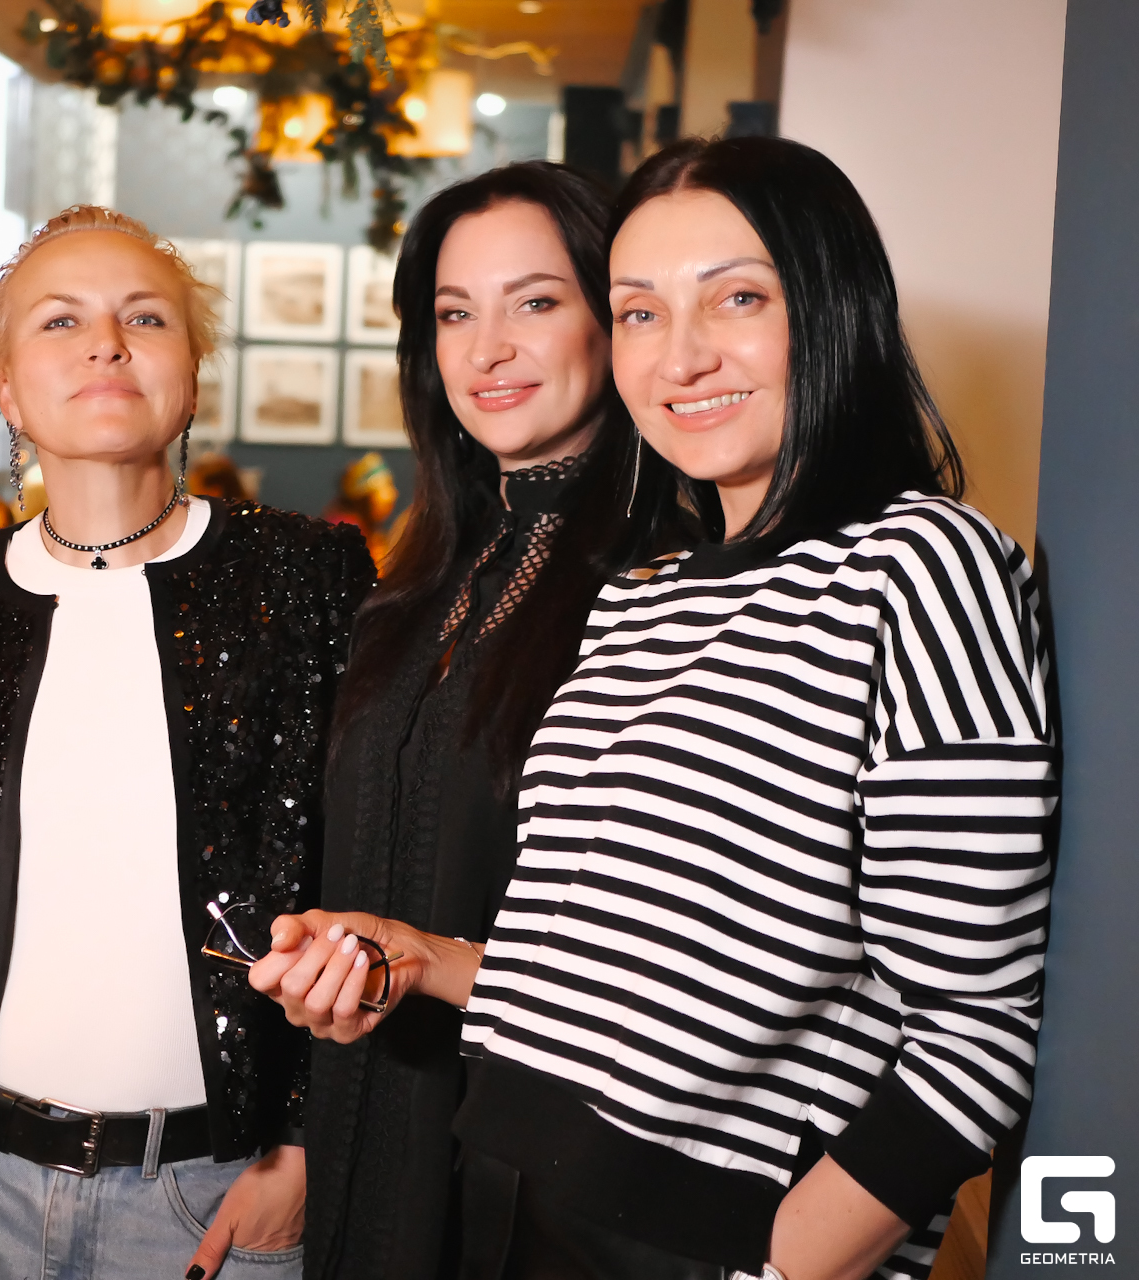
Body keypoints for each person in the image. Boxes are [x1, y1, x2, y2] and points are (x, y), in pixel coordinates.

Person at [255, 135, 1055, 1280]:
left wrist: (787, 1265)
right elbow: (603, 976)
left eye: (737, 298)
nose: (681, 355)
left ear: (832, 305)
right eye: (640, 311)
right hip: (512, 1204)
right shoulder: (645, 593)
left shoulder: (921, 563)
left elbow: (976, 1031)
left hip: (703, 1241)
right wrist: (420, 955)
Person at [0, 205, 377, 1280]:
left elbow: (362, 870)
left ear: (191, 373)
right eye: (60, 321)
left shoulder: (306, 581)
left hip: (214, 1197)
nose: (105, 342)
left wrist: (303, 1148)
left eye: (143, 317)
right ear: (7, 388)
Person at [282, 163, 661, 1280]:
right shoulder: (413, 588)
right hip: (362, 1146)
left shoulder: (668, 585)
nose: (488, 349)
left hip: (545, 1191)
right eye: (455, 313)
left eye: (534, 301)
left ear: (616, 317)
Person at [323, 452, 400, 567]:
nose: (393, 495)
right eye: (385, 487)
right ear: (364, 497)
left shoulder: (371, 532)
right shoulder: (346, 533)